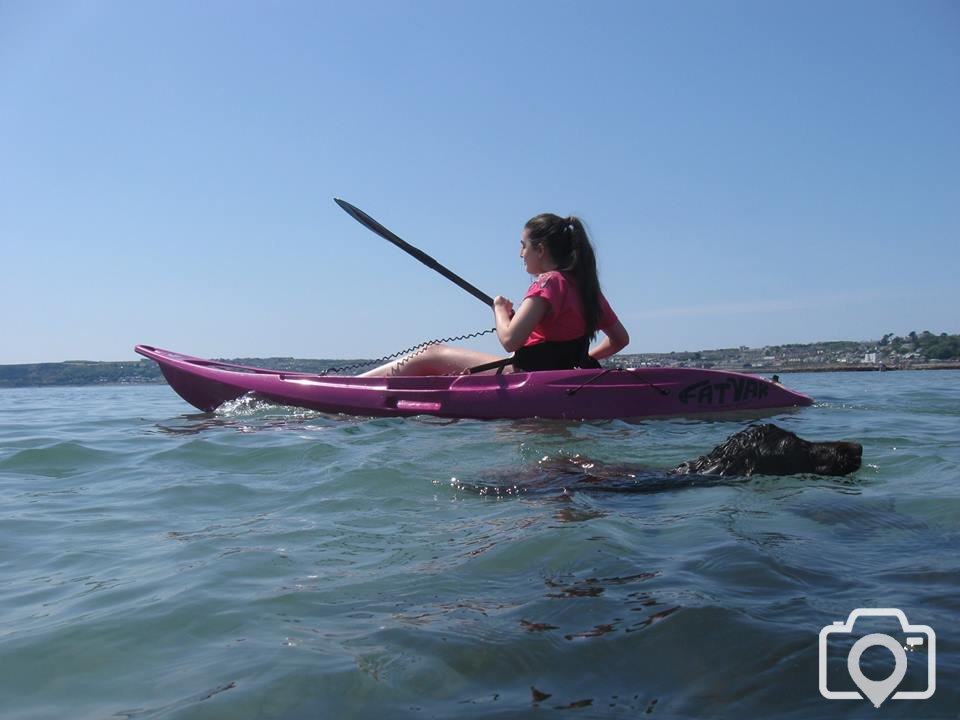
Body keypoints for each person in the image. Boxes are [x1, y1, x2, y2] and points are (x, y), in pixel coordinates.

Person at [359, 213, 630, 376]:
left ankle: (352, 387)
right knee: (438, 365)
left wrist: (500, 310)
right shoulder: (586, 288)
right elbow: (620, 339)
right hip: (553, 377)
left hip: (524, 375)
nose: (520, 254)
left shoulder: (547, 283)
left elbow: (511, 340)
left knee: (430, 353)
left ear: (541, 249)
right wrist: (576, 365)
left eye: (524, 246)